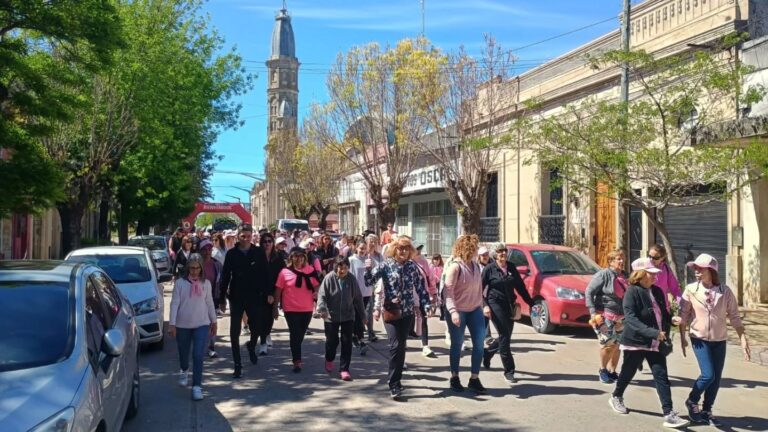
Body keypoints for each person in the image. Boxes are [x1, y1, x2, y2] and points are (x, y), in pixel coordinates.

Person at [608, 257, 688, 428]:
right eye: (651, 274)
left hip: (655, 342)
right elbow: (631, 319)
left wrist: (671, 320)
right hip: (636, 341)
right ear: (641, 274)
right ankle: (616, 396)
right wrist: (653, 333)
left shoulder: (657, 291)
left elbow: (663, 313)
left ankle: (669, 413)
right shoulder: (632, 292)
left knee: (661, 376)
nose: (655, 277)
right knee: (628, 372)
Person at [679, 253, 750, 427]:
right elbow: (683, 315)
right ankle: (692, 400)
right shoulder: (691, 290)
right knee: (708, 374)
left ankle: (707, 410)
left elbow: (734, 316)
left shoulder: (724, 291)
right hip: (699, 338)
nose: (696, 271)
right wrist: (682, 338)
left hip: (719, 340)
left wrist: (743, 339)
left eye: (700, 268)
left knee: (716, 378)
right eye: (695, 268)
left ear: (711, 270)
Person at [365, 236, 430, 399]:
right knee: (395, 346)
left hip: (407, 313)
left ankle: (397, 381)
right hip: (392, 312)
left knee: (401, 347)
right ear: (395, 249)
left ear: (410, 251)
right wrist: (368, 269)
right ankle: (393, 383)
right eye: (400, 248)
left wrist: (426, 305)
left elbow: (421, 288)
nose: (403, 251)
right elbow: (368, 282)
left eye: (406, 249)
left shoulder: (412, 267)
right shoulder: (386, 265)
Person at [219, 223, 271, 379]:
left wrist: (268, 292)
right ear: (238, 236)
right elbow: (225, 276)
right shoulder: (231, 254)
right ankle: (237, 364)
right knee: (234, 332)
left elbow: (266, 273)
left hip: (254, 296)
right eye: (243, 236)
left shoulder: (258, 252)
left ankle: (251, 346)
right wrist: (221, 297)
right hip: (236, 296)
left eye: (248, 236)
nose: (246, 239)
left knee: (256, 329)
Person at [481, 243, 535, 384]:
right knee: (504, 335)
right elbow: (478, 290)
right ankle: (509, 371)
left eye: (505, 251)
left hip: (509, 304)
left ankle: (487, 354)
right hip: (494, 303)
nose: (503, 253)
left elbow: (520, 287)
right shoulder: (489, 269)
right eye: (500, 251)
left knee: (505, 336)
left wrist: (531, 302)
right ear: (495, 254)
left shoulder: (511, 267)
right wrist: (485, 305)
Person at [168, 254, 217, 401]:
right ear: (188, 267)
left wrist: (214, 321)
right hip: (183, 325)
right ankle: (184, 370)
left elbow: (209, 303)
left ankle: (197, 386)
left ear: (201, 268)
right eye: (192, 268)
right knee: (183, 353)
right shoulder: (180, 284)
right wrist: (172, 324)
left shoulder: (206, 284)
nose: (195, 271)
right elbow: (175, 303)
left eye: (197, 268)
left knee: (197, 355)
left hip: (201, 324)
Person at [443, 234, 487, 394]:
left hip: (475, 310)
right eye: (473, 248)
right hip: (458, 311)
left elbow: (480, 289)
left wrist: (484, 306)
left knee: (479, 344)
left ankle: (474, 378)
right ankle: (454, 377)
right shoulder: (455, 267)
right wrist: (453, 312)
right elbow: (448, 293)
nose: (475, 251)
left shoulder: (476, 266)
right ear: (465, 249)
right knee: (457, 344)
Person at [317, 256, 367, 381]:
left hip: (348, 316)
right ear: (335, 267)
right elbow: (321, 296)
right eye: (340, 267)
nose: (342, 270)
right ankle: (329, 358)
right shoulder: (329, 278)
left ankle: (344, 369)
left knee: (347, 342)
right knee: (332, 342)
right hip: (331, 316)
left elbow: (358, 299)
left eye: (345, 268)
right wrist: (322, 309)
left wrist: (363, 316)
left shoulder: (351, 279)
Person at [274, 247, 320, 372]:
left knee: (300, 335)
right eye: (296, 256)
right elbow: (278, 290)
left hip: (307, 309)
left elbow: (317, 285)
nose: (298, 259)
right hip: (290, 309)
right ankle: (297, 361)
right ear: (291, 258)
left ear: (304, 257)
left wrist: (316, 293)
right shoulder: (284, 272)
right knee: (295, 334)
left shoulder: (310, 270)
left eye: (301, 256)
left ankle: (295, 351)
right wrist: (275, 308)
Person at [585, 249, 628, 384]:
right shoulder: (603, 275)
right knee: (608, 345)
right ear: (610, 261)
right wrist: (593, 312)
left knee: (618, 345)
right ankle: (603, 370)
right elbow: (589, 292)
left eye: (622, 258)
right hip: (605, 315)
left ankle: (612, 371)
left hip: (622, 317)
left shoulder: (626, 276)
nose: (621, 261)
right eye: (618, 259)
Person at [258, 232, 285, 355]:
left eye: (269, 241)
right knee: (261, 317)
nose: (267, 243)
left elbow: (283, 274)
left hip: (274, 291)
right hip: (260, 291)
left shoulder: (278, 258)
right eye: (265, 241)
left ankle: (267, 333)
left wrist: (277, 294)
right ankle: (263, 343)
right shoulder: (257, 256)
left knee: (270, 317)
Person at [412, 244, 438, 358]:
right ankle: (402, 345)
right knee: (407, 320)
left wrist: (433, 293)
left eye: (419, 249)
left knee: (424, 318)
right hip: (408, 294)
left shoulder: (424, 262)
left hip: (422, 293)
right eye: (416, 249)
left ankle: (425, 345)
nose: (418, 251)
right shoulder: (405, 261)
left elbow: (430, 278)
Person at [198, 240, 222, 357]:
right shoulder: (195, 264)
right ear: (200, 251)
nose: (207, 252)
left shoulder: (217, 264)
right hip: (197, 299)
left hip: (213, 298)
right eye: (205, 250)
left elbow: (222, 282)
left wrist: (222, 299)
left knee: (213, 322)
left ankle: (211, 347)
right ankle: (199, 345)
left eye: (209, 249)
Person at [348, 241, 371, 355]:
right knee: (358, 316)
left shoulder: (368, 260)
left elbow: (372, 275)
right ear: (356, 248)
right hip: (355, 293)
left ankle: (356, 336)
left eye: (364, 248)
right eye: (361, 248)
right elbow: (349, 276)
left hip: (367, 292)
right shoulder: (352, 260)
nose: (362, 250)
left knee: (361, 316)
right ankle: (359, 339)